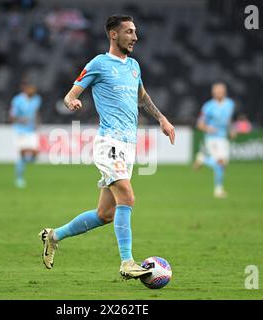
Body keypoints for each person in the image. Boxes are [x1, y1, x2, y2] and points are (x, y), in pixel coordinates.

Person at [38, 15, 175, 280]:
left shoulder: (134, 66)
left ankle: (53, 236)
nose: (135, 37)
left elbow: (142, 97)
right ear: (114, 34)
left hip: (129, 146)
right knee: (128, 197)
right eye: (129, 32)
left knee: (105, 214)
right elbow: (70, 94)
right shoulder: (99, 64)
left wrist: (161, 118)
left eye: (135, 32)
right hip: (108, 143)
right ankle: (127, 263)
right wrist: (71, 103)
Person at [193, 82, 235, 199]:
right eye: (217, 91)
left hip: (223, 137)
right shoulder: (208, 106)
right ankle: (218, 190)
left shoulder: (230, 104)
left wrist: (231, 130)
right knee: (220, 163)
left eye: (221, 90)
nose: (219, 93)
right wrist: (208, 128)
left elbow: (228, 120)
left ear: (224, 92)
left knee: (223, 164)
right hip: (212, 138)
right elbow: (200, 124)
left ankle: (203, 159)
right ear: (213, 92)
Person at [9, 81, 42, 188]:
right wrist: (21, 119)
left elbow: (36, 112)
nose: (33, 91)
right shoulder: (17, 100)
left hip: (31, 130)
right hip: (20, 130)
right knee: (21, 154)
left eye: (34, 88)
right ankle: (19, 178)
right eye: (31, 88)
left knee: (35, 153)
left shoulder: (37, 99)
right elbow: (12, 117)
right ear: (26, 89)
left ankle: (23, 164)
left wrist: (37, 123)